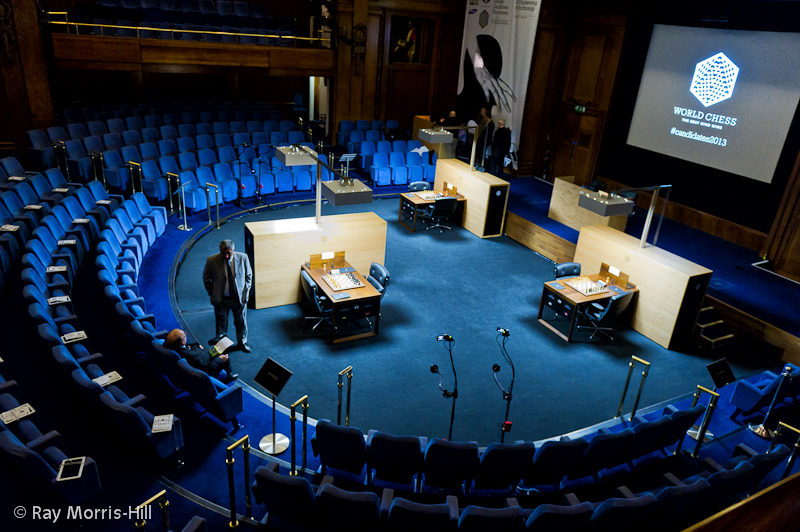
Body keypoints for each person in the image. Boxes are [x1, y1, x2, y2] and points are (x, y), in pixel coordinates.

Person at [203, 239, 253, 353]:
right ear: (220, 251)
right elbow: (206, 279)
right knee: (221, 324)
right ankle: (222, 346)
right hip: (221, 299)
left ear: (233, 250)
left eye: (229, 253)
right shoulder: (212, 261)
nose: (226, 256)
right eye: (223, 253)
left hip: (238, 298)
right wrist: (212, 293)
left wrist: (246, 292)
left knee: (241, 322)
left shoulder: (243, 257)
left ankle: (242, 343)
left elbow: (249, 276)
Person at [163, 329, 237, 382]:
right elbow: (208, 368)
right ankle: (227, 376)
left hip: (203, 358)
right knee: (224, 353)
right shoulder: (192, 356)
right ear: (182, 342)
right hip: (207, 369)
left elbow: (188, 345)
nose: (185, 334)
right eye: (184, 335)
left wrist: (197, 345)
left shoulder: (172, 345)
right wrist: (220, 359)